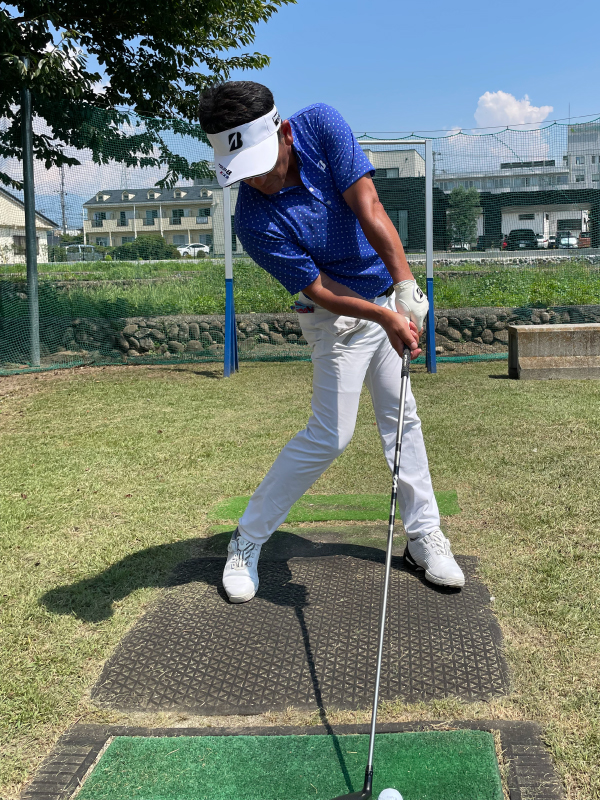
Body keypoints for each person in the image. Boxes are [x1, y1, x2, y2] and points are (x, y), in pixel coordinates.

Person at [198, 81, 465, 603]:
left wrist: (404, 286)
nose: (256, 181)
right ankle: (246, 540)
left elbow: (368, 204)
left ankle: (423, 536)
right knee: (330, 435)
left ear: (286, 133)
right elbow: (317, 288)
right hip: (332, 316)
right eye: (243, 172)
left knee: (402, 419)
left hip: (384, 292)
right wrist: (381, 316)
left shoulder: (320, 125)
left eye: (262, 166)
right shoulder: (251, 218)